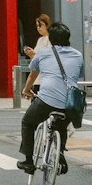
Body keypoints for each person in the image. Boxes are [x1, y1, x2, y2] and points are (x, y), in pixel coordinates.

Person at [17, 20, 83, 175]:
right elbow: (78, 75)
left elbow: (33, 73)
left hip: (46, 101)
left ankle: (28, 161)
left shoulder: (43, 53)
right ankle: (59, 154)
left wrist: (27, 90)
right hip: (70, 103)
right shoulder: (78, 55)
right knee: (61, 126)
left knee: (27, 123)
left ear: (51, 39)